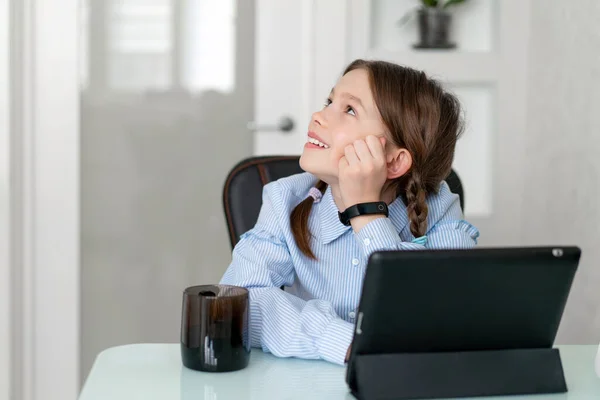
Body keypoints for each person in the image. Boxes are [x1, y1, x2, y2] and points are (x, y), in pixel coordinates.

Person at [220, 59, 480, 365]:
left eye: (349, 110)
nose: (318, 116)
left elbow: (433, 321)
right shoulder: (285, 199)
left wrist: (366, 212)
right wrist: (346, 343)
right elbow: (241, 304)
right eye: (330, 101)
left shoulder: (440, 210)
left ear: (394, 161)